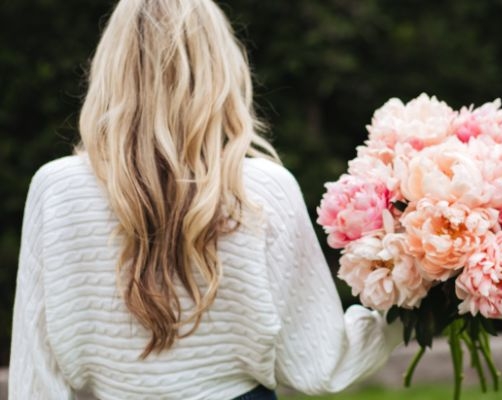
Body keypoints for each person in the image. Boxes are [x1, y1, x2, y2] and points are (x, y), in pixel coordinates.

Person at [7, 0, 402, 398]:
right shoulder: (265, 189)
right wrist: (410, 295)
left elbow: (36, 379)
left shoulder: (55, 190)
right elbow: (319, 364)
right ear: (219, 68)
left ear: (110, 67)